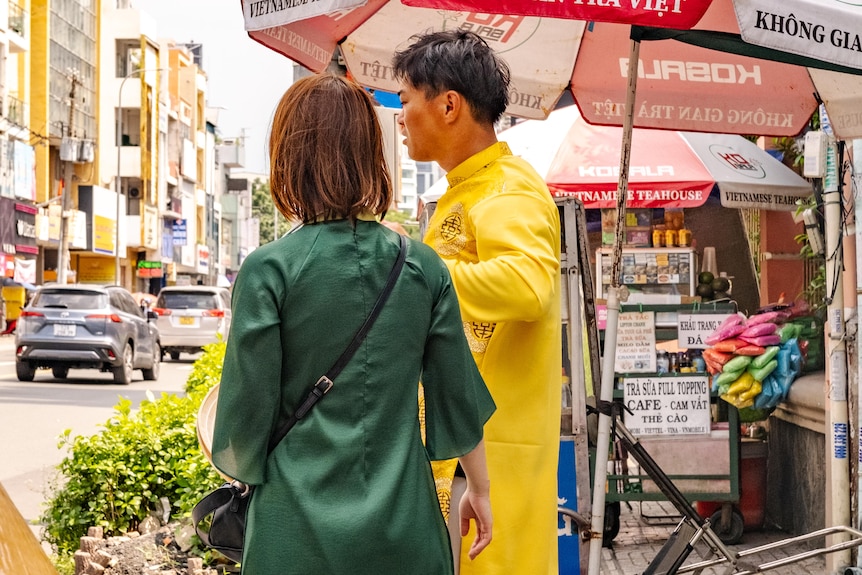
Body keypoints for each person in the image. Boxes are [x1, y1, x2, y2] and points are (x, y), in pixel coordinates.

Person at [209, 73, 496, 575]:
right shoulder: (423, 267)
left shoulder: (268, 270)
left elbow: (242, 425)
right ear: (371, 155)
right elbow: (457, 400)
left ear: (288, 157)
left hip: (293, 535)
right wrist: (481, 489)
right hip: (405, 532)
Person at [393, 30, 563, 575]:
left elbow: (530, 286)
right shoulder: (465, 190)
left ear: (448, 105)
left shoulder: (509, 189)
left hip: (497, 458)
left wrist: (417, 271)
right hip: (468, 457)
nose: (400, 117)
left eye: (406, 100)